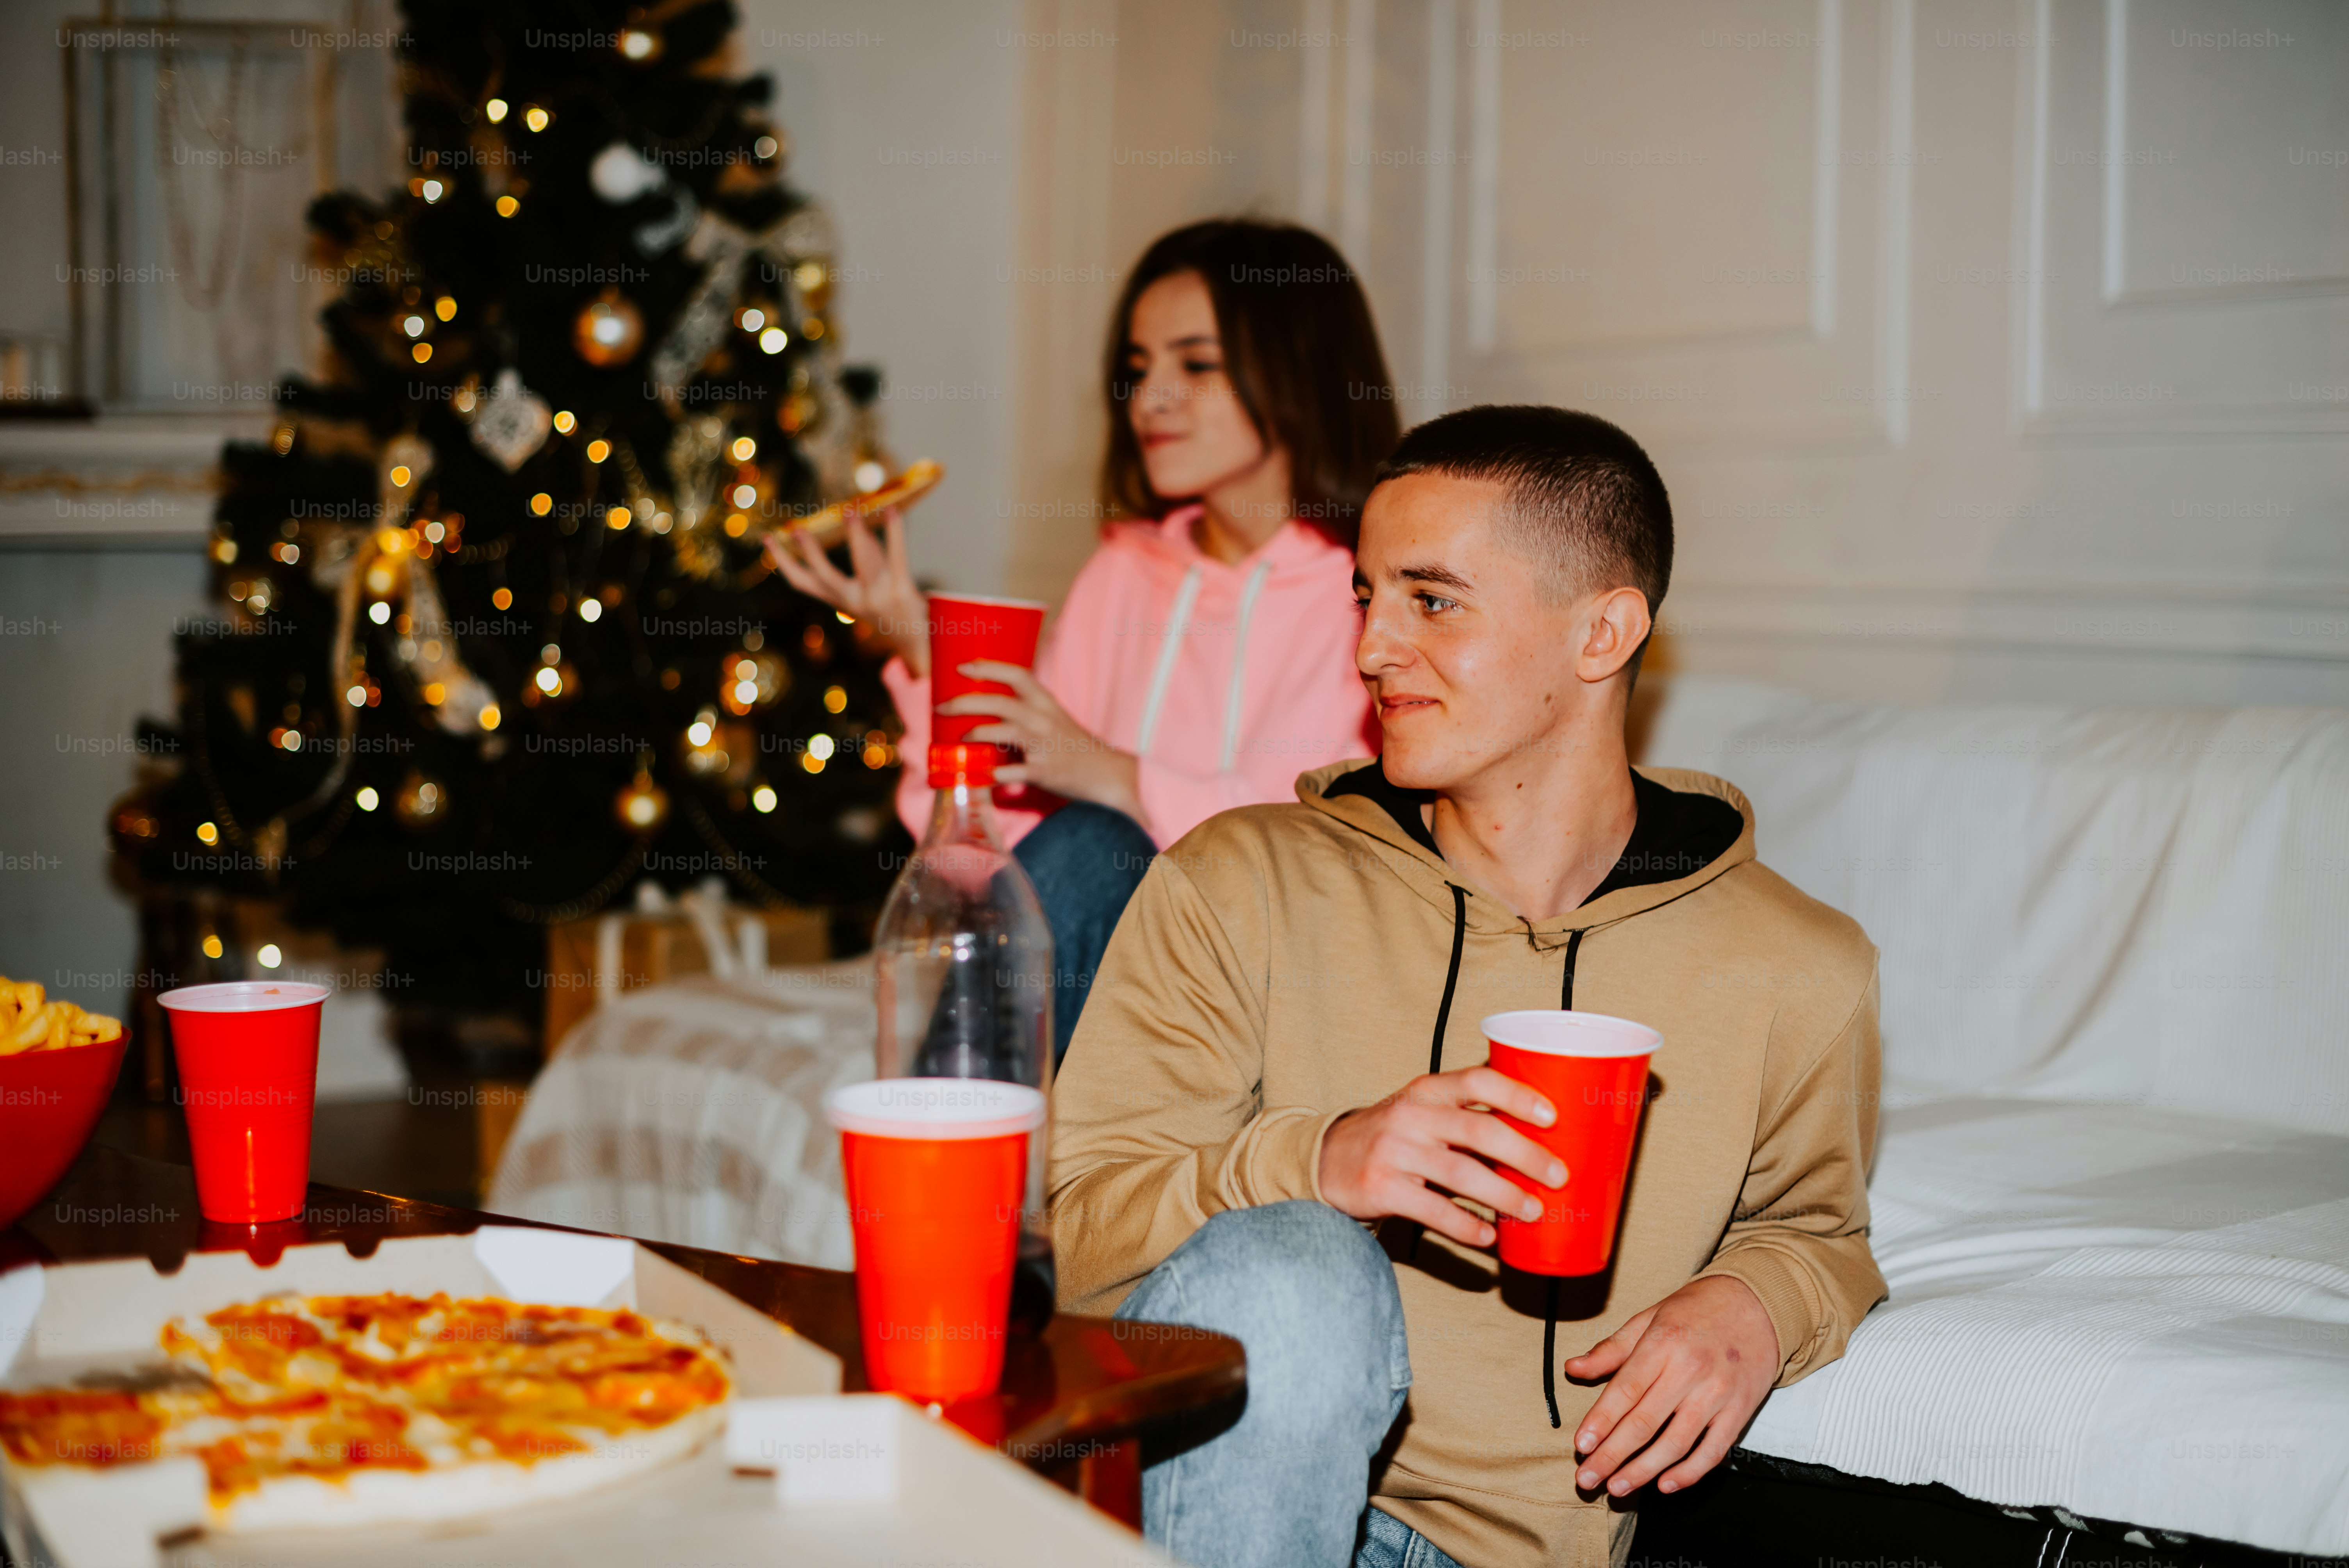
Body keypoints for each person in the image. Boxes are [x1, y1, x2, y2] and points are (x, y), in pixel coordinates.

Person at [1050, 405, 1887, 1568]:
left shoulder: (1800, 967)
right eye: (1366, 596)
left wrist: (1757, 1305)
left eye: (1431, 600)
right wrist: (1321, 1161)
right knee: (1298, 1272)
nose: (1371, 647)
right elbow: (1085, 1242)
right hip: (1205, 1513)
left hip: (1506, 1553)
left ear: (1604, 633)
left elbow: (1818, 1230)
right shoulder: (1237, 881)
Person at [768, 220, 1395, 1064]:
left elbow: (1327, 850)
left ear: (1302, 370)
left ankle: (946, 1167)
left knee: (1097, 840)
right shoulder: (1119, 577)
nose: (1149, 400)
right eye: (1136, 371)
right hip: (1105, 993)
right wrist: (926, 653)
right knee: (1078, 847)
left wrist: (1112, 776)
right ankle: (955, 1164)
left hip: (1272, 989)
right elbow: (966, 863)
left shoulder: (1373, 596)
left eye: (1196, 364)